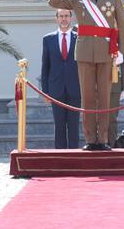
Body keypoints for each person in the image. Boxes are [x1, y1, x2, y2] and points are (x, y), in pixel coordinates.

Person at [48, 0, 124, 151]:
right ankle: (91, 139)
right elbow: (53, 2)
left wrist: (121, 52)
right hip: (84, 52)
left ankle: (103, 139)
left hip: (106, 52)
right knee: (88, 97)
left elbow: (122, 25)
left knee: (104, 97)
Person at [41, 8, 81, 148]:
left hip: (75, 89)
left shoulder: (79, 38)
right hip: (55, 89)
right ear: (56, 18)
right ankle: (60, 155)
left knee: (74, 125)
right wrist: (45, 92)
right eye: (61, 16)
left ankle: (74, 155)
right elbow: (45, 67)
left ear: (71, 18)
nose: (64, 19)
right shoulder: (48, 39)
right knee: (59, 125)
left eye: (66, 16)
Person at [107, 31, 124, 147]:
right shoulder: (98, 37)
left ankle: (110, 144)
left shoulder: (119, 41)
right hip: (97, 87)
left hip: (115, 86)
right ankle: (98, 144)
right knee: (96, 118)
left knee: (112, 119)